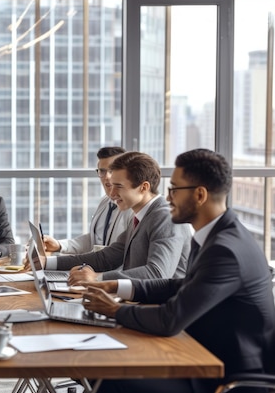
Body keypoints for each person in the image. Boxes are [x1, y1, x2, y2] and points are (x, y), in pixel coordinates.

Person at [80, 148, 275, 393]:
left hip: (224, 376)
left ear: (200, 195)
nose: (167, 197)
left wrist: (114, 309)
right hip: (197, 354)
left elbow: (170, 319)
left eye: (174, 189)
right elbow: (182, 285)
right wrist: (117, 286)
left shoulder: (226, 250)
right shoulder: (214, 234)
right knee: (106, 361)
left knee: (109, 378)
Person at [39, 151, 192, 283]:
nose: (112, 194)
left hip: (160, 310)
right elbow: (107, 257)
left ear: (144, 187)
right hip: (137, 301)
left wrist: (97, 278)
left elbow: (157, 274)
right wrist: (47, 263)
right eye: (111, 186)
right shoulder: (141, 216)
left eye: (118, 186)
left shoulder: (166, 217)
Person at [43, 146, 133, 254]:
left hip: (113, 270)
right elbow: (93, 240)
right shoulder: (105, 202)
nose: (107, 177)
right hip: (96, 267)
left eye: (112, 170)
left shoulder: (132, 209)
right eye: (102, 171)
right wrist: (59, 245)